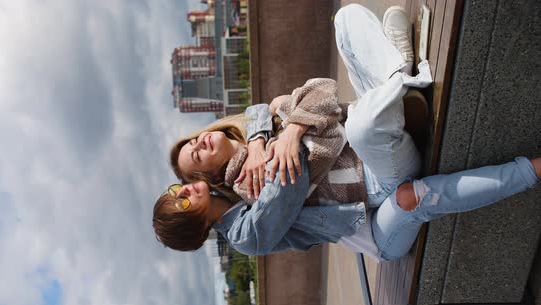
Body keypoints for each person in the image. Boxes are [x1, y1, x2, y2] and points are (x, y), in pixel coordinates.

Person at [153, 4, 541, 261]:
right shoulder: (244, 228)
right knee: (374, 140)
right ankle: (530, 170)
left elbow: (285, 104)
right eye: (182, 201)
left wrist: (264, 138)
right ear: (198, 223)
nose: (183, 192)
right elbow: (289, 179)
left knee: (346, 18)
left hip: (356, 152)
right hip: (373, 198)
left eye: (176, 191)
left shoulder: (254, 151)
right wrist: (286, 130)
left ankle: (398, 76)